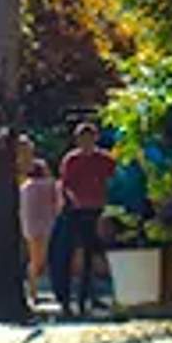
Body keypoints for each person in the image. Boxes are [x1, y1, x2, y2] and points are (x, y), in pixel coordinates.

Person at [48, 121, 117, 317]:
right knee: (67, 254)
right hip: (75, 211)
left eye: (89, 138)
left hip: (97, 210)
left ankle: (86, 298)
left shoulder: (104, 159)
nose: (85, 142)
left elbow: (113, 180)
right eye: (82, 139)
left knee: (91, 256)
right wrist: (71, 200)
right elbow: (65, 184)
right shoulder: (71, 160)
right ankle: (66, 300)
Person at [18, 147, 62, 291]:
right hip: (48, 225)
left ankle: (33, 288)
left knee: (34, 259)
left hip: (30, 227)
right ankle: (36, 288)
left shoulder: (24, 187)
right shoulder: (51, 185)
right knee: (44, 260)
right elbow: (58, 203)